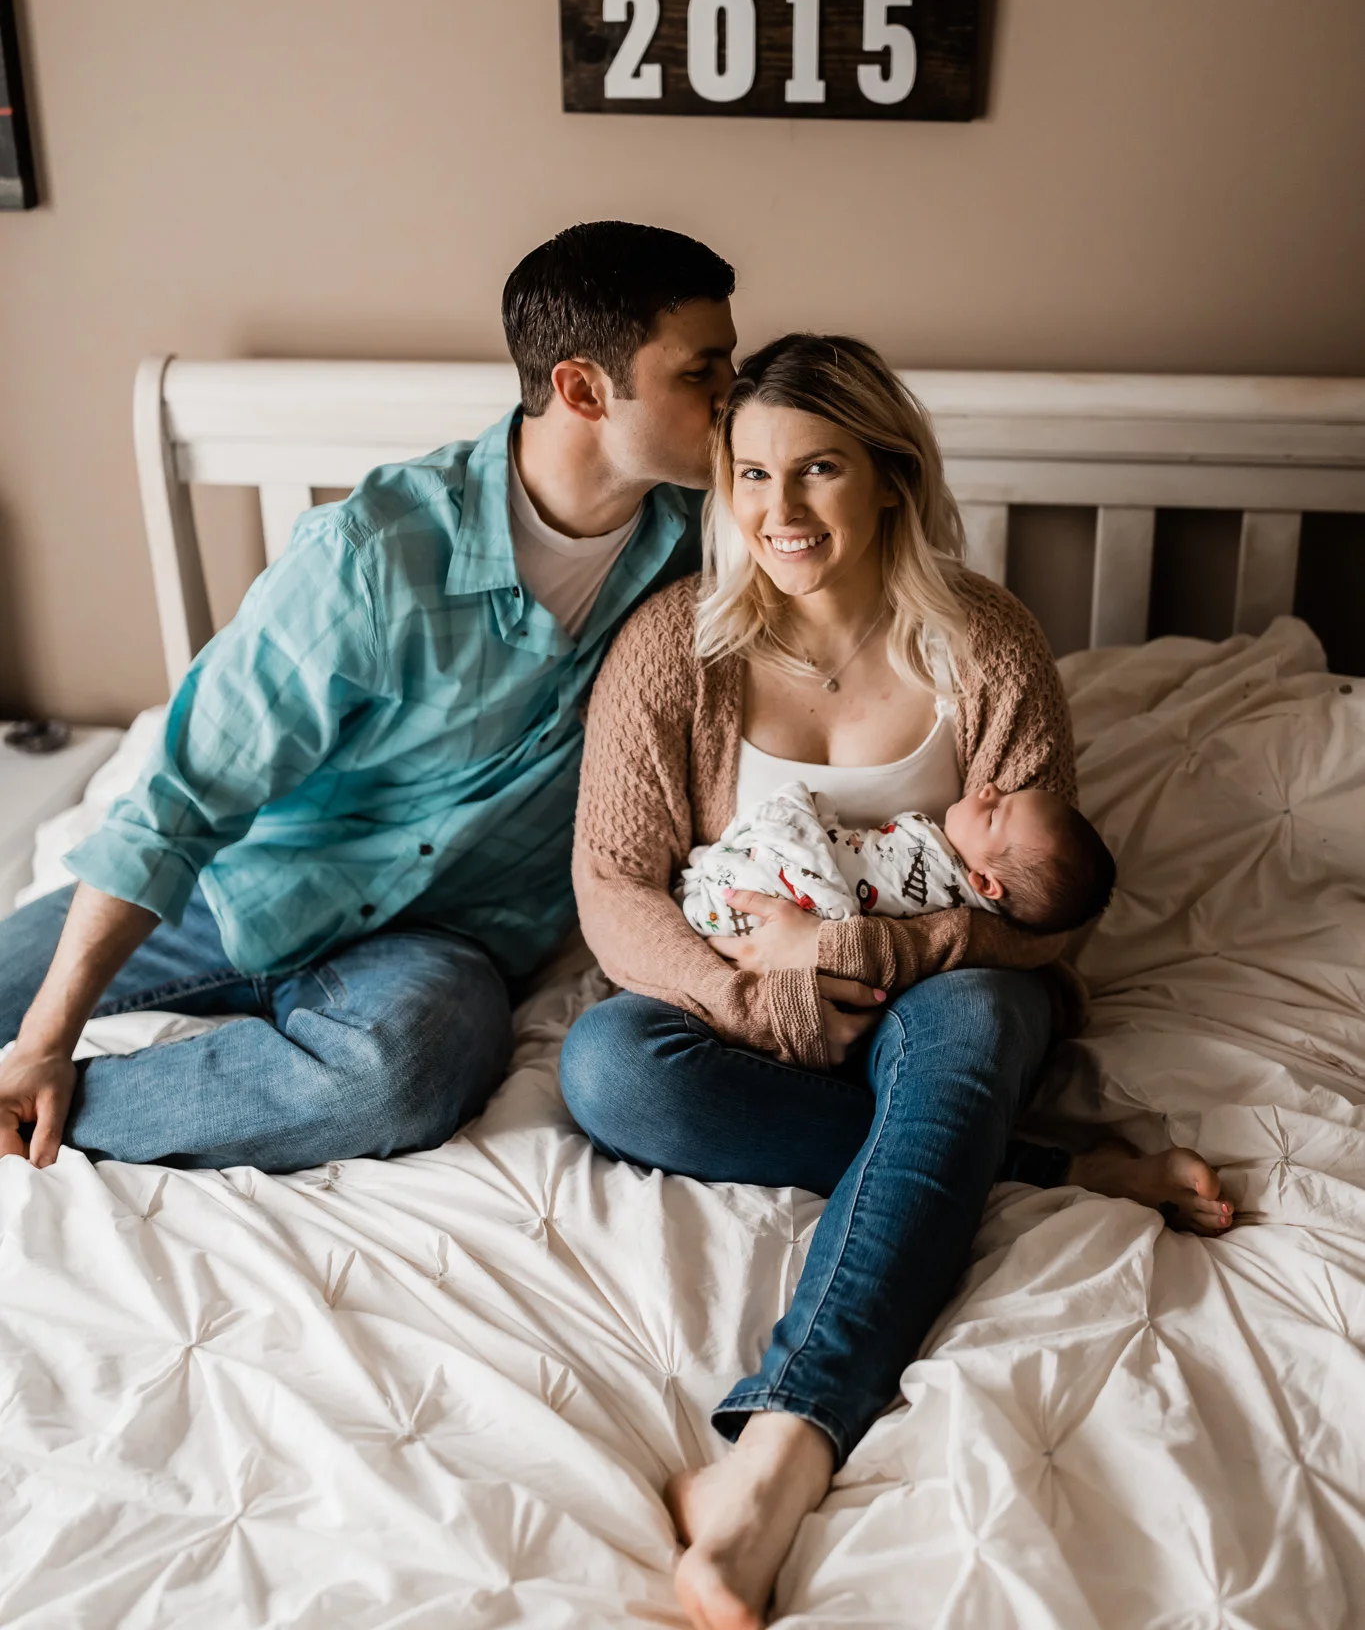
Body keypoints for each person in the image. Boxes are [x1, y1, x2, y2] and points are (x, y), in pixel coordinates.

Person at [559, 333, 1231, 1630]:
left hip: (949, 1001)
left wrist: (872, 954)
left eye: (817, 471)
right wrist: (752, 997)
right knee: (604, 1068)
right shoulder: (671, 651)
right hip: (748, 1007)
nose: (779, 511)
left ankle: (774, 1459)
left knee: (981, 1012)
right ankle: (1051, 1165)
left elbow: (1045, 918)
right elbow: (613, 889)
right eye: (750, 475)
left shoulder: (987, 644)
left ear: (889, 479)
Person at [0, 221, 738, 1171]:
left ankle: (44, 1124)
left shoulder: (708, 547)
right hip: (248, 885)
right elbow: (180, 797)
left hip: (443, 944)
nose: (732, 400)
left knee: (399, 1074)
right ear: (583, 388)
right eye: (701, 373)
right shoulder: (372, 556)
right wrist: (47, 1035)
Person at [678, 776, 1117, 939]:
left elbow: (846, 902)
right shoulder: (952, 856)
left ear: (983, 884)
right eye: (1006, 792)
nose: (989, 788)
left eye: (996, 810)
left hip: (800, 896)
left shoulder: (932, 884)